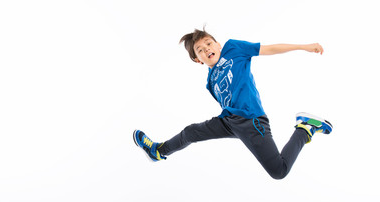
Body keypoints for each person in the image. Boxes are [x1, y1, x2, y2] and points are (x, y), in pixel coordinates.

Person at [133, 28, 332, 179]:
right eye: (200, 50)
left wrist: (303, 46)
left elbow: (270, 49)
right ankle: (158, 151)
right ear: (197, 60)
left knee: (278, 171)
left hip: (251, 120)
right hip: (228, 121)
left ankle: (304, 128)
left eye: (209, 44)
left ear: (218, 44)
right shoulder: (210, 82)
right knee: (191, 132)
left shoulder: (234, 48)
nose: (207, 49)